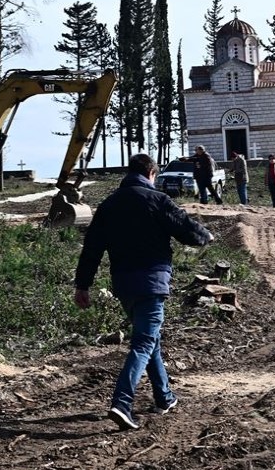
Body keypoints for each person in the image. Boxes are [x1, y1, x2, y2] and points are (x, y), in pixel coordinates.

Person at [74, 154, 214, 431]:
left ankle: (164, 397)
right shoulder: (158, 200)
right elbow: (184, 227)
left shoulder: (109, 205)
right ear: (151, 173)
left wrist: (83, 284)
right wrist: (205, 236)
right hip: (151, 282)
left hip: (124, 285)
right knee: (143, 343)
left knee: (150, 340)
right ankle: (122, 403)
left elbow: (91, 248)